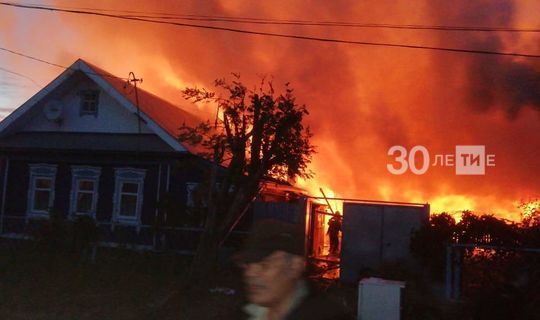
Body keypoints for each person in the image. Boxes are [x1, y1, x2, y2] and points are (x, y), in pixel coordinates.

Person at [235, 219, 352, 320]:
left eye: (264, 264)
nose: (250, 273)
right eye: (247, 264)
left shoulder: (330, 316)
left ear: (295, 266)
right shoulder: (241, 313)